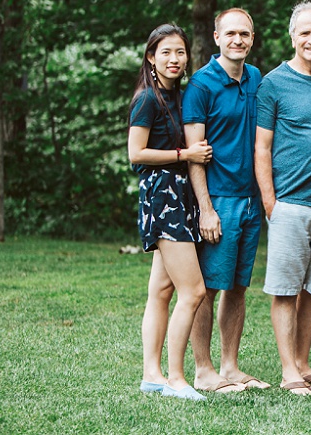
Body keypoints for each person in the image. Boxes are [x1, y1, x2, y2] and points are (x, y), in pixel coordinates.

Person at [254, 1, 311, 396]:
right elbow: (262, 148)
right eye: (305, 33)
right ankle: (288, 370)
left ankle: (304, 364)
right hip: (290, 202)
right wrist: (271, 203)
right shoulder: (273, 83)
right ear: (292, 36)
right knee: (285, 289)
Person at [183, 8, 268, 393]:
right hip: (218, 199)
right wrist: (206, 209)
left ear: (252, 39)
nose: (238, 40)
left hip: (251, 198)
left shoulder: (256, 78)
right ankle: (203, 370)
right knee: (209, 287)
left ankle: (230, 367)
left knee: (237, 287)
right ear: (216, 37)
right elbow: (194, 151)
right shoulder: (201, 84)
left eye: (245, 34)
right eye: (231, 33)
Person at [128, 24, 212, 401]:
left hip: (181, 193)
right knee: (193, 290)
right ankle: (176, 380)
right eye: (166, 53)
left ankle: (151, 374)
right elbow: (136, 154)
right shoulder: (148, 99)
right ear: (151, 57)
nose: (174, 59)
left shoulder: (180, 95)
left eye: (180, 52)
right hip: (163, 195)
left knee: (161, 290)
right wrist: (185, 155)